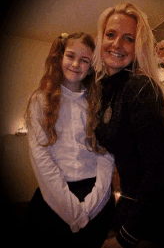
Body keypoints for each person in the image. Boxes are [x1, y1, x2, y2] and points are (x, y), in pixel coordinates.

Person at [90, 2, 164, 247]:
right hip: (138, 194)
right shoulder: (106, 88)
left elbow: (158, 170)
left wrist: (125, 237)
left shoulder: (141, 87)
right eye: (110, 34)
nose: (117, 44)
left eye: (128, 38)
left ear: (138, 46)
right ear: (101, 39)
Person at [25, 32, 115, 248]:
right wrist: (73, 212)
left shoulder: (98, 101)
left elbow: (106, 154)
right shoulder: (40, 100)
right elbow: (41, 157)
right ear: (60, 57)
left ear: (91, 66)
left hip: (96, 195)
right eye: (71, 56)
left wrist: (92, 206)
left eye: (85, 60)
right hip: (55, 198)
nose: (76, 64)